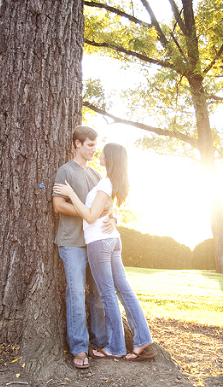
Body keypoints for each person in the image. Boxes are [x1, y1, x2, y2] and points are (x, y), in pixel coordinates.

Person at [54, 142, 156, 361]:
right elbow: (107, 209)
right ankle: (142, 339)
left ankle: (116, 347)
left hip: (100, 243)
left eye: (102, 152)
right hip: (112, 240)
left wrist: (71, 193)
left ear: (109, 158)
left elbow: (90, 216)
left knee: (108, 294)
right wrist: (112, 216)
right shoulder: (110, 182)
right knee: (124, 291)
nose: (98, 153)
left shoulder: (104, 184)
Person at [52, 126, 112, 369]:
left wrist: (111, 217)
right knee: (76, 293)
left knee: (98, 294)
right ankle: (79, 349)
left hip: (95, 243)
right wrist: (88, 213)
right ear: (77, 144)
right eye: (89, 145)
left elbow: (108, 205)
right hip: (72, 242)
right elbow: (58, 205)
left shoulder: (97, 176)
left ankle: (100, 343)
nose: (94, 150)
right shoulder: (65, 171)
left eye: (96, 145)